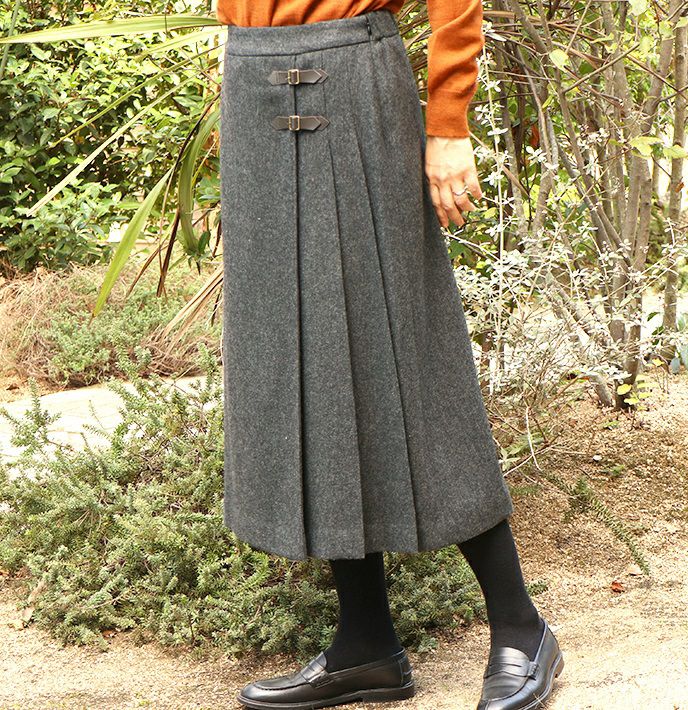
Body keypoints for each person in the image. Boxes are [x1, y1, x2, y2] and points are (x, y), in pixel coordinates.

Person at [217, 3, 565, 709]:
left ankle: (519, 626)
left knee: (409, 353)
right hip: (250, 82)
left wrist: (448, 122)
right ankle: (366, 643)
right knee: (301, 358)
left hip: (354, 79)